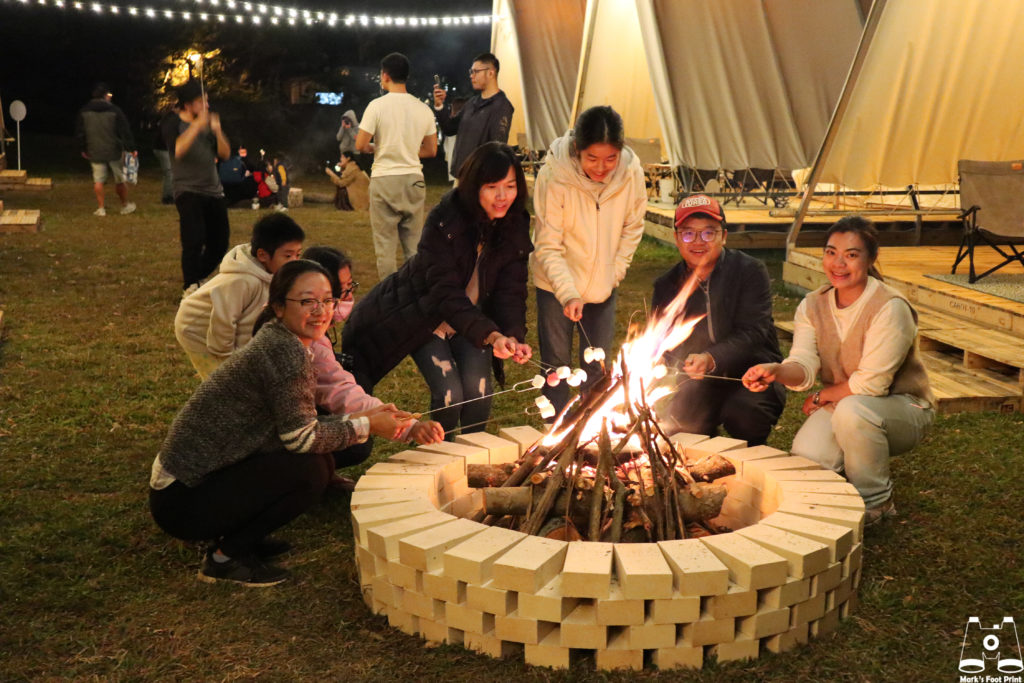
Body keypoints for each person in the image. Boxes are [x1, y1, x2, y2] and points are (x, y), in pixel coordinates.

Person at [150, 260, 406, 586]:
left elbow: (299, 425)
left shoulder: (284, 340)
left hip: (195, 482)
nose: (320, 310)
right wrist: (368, 426)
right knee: (309, 472)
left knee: (320, 462)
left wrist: (367, 417)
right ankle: (225, 558)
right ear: (278, 307)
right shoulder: (286, 353)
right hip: (181, 498)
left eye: (327, 300)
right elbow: (300, 438)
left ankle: (242, 537)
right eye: (307, 301)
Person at [742, 216, 935, 526]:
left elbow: (872, 384)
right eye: (831, 252)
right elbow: (804, 364)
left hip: (903, 408)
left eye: (852, 254)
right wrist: (777, 370)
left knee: (854, 413)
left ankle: (876, 502)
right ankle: (852, 463)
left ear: (871, 258)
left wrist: (822, 397)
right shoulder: (812, 304)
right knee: (808, 460)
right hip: (844, 404)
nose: (838, 263)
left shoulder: (890, 306)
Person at [342, 142, 533, 436]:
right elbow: (443, 292)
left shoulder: (515, 222)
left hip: (473, 320)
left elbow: (512, 288)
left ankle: (473, 464)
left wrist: (511, 335)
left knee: (479, 394)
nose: (502, 196)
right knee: (449, 396)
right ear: (473, 186)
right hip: (427, 317)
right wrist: (491, 335)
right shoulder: (446, 220)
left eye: (510, 186)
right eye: (492, 186)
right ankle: (437, 461)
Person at [531, 105, 646, 416]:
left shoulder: (631, 174)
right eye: (592, 158)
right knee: (556, 367)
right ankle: (554, 436)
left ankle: (593, 435)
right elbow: (548, 243)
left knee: (597, 367)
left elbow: (633, 227)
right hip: (555, 285)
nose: (602, 167)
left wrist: (614, 274)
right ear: (577, 150)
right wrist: (567, 292)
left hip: (603, 287)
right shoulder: (555, 175)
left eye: (610, 158)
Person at [650, 195, 785, 445]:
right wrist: (681, 362)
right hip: (696, 382)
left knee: (745, 416)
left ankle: (749, 463)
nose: (698, 242)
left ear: (723, 236)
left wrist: (712, 358)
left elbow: (754, 332)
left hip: (753, 373)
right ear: (677, 238)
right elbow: (663, 343)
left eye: (708, 233)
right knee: (679, 426)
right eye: (688, 234)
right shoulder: (666, 285)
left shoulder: (749, 271)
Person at [303, 245, 444, 478]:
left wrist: (407, 424)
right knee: (358, 442)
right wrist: (406, 426)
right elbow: (342, 393)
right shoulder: (307, 344)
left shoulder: (314, 333)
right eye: (343, 291)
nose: (350, 297)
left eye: (351, 287)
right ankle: (313, 472)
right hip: (276, 444)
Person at [175, 213, 304, 379]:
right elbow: (223, 319)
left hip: (222, 327)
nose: (294, 261)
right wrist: (227, 358)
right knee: (222, 380)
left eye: (298, 255)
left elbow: (248, 321)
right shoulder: (241, 280)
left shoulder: (270, 273)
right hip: (195, 327)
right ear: (263, 255)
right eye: (288, 256)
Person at [356, 52, 438, 279]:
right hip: (413, 180)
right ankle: (416, 298)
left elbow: (361, 144)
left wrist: (378, 148)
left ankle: (389, 301)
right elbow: (431, 150)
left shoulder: (377, 106)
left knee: (385, 249)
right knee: (414, 248)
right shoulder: (423, 109)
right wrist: (408, 150)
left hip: (385, 179)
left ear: (385, 75)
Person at [162, 79, 231, 292]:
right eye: (202, 102)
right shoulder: (172, 123)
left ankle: (198, 276)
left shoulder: (208, 123)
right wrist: (196, 126)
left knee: (220, 242)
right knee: (194, 238)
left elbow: (225, 154)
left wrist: (218, 132)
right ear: (188, 104)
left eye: (207, 101)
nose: (207, 106)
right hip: (187, 190)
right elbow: (178, 150)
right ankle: (190, 285)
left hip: (214, 189)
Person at [433, 52, 514, 179]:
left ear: (491, 73)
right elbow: (449, 128)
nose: (472, 76)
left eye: (476, 71)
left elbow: (496, 148)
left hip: (479, 179)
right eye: (471, 72)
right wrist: (439, 106)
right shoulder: (471, 103)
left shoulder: (501, 106)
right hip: (462, 174)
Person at [75, 82, 137, 216]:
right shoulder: (114, 110)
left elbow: (80, 132)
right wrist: (131, 148)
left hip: (94, 150)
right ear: (105, 96)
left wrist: (83, 148)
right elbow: (124, 130)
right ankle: (125, 205)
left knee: (98, 180)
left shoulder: (84, 111)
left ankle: (101, 208)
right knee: (119, 179)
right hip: (114, 150)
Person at [153, 104, 178, 205]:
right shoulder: (171, 119)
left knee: (169, 172)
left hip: (161, 148)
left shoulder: (168, 117)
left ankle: (169, 194)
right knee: (169, 173)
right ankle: (168, 197)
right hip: (163, 148)